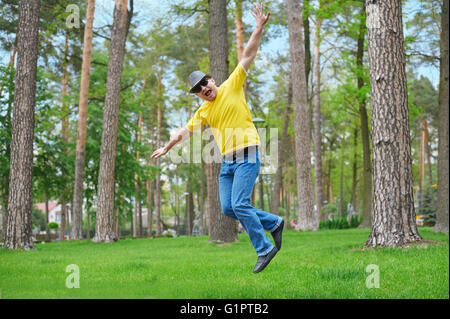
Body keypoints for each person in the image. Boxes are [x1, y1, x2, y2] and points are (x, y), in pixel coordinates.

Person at [151, 2, 283, 274]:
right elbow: (184, 132)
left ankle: (264, 248)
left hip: (247, 155)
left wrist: (258, 27)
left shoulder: (232, 86)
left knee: (240, 204)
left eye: (204, 84)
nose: (203, 89)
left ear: (211, 80)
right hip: (228, 164)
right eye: (198, 90)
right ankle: (274, 223)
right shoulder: (203, 110)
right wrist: (166, 148)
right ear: (197, 94)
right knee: (229, 208)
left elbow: (248, 54)